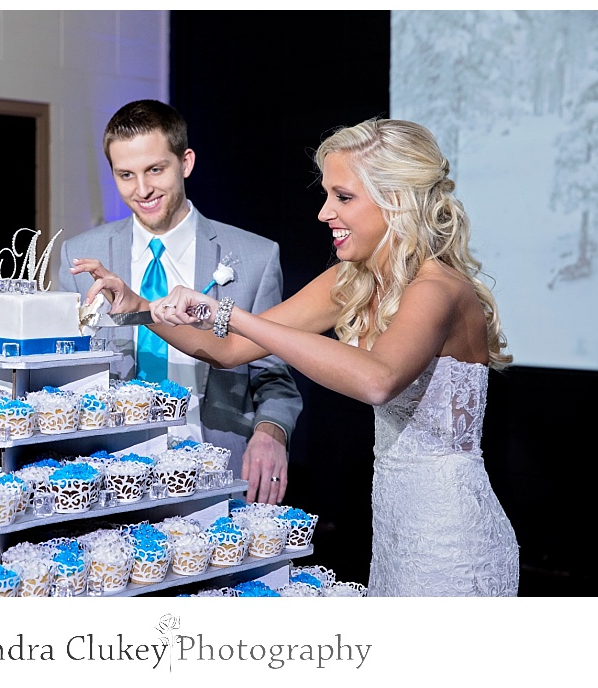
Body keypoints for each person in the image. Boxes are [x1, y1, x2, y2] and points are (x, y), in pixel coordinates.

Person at [73, 118, 520, 597]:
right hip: (395, 525)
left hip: (451, 536)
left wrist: (233, 314)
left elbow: (378, 380)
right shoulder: (353, 279)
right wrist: (141, 308)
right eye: (326, 195)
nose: (325, 212)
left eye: (343, 197)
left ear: (397, 199)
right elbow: (230, 352)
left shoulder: (438, 288)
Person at [59, 99, 302, 505]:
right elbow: (66, 368)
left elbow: (274, 377)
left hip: (217, 466)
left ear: (185, 162)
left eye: (155, 169)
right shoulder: (79, 255)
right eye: (126, 175)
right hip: (111, 474)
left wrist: (271, 432)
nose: (142, 190)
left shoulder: (256, 256)